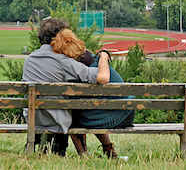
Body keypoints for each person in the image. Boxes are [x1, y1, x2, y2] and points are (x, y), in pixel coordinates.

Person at [22, 18, 110, 156]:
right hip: (57, 120)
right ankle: (90, 152)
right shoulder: (63, 61)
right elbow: (102, 77)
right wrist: (104, 57)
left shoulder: (29, 60)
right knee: (75, 107)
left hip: (34, 119)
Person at [50, 29, 135, 158]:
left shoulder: (78, 69)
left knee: (72, 114)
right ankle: (109, 150)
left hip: (113, 117)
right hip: (126, 113)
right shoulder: (94, 59)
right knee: (91, 110)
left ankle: (83, 154)